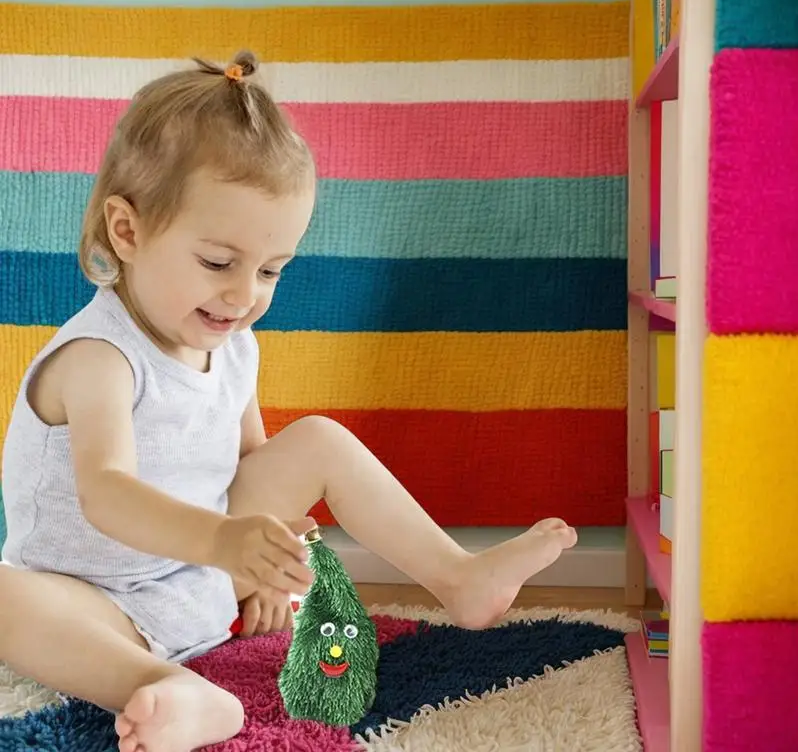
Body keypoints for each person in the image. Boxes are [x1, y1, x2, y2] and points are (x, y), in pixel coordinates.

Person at [0, 50, 578, 752]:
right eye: (218, 263)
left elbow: (253, 468)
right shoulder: (99, 359)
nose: (245, 295)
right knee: (6, 600)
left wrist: (271, 564)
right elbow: (108, 494)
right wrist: (225, 544)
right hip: (89, 600)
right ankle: (167, 688)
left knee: (318, 440)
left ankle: (456, 576)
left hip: (199, 584)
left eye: (271, 269)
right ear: (128, 232)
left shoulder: (235, 346)